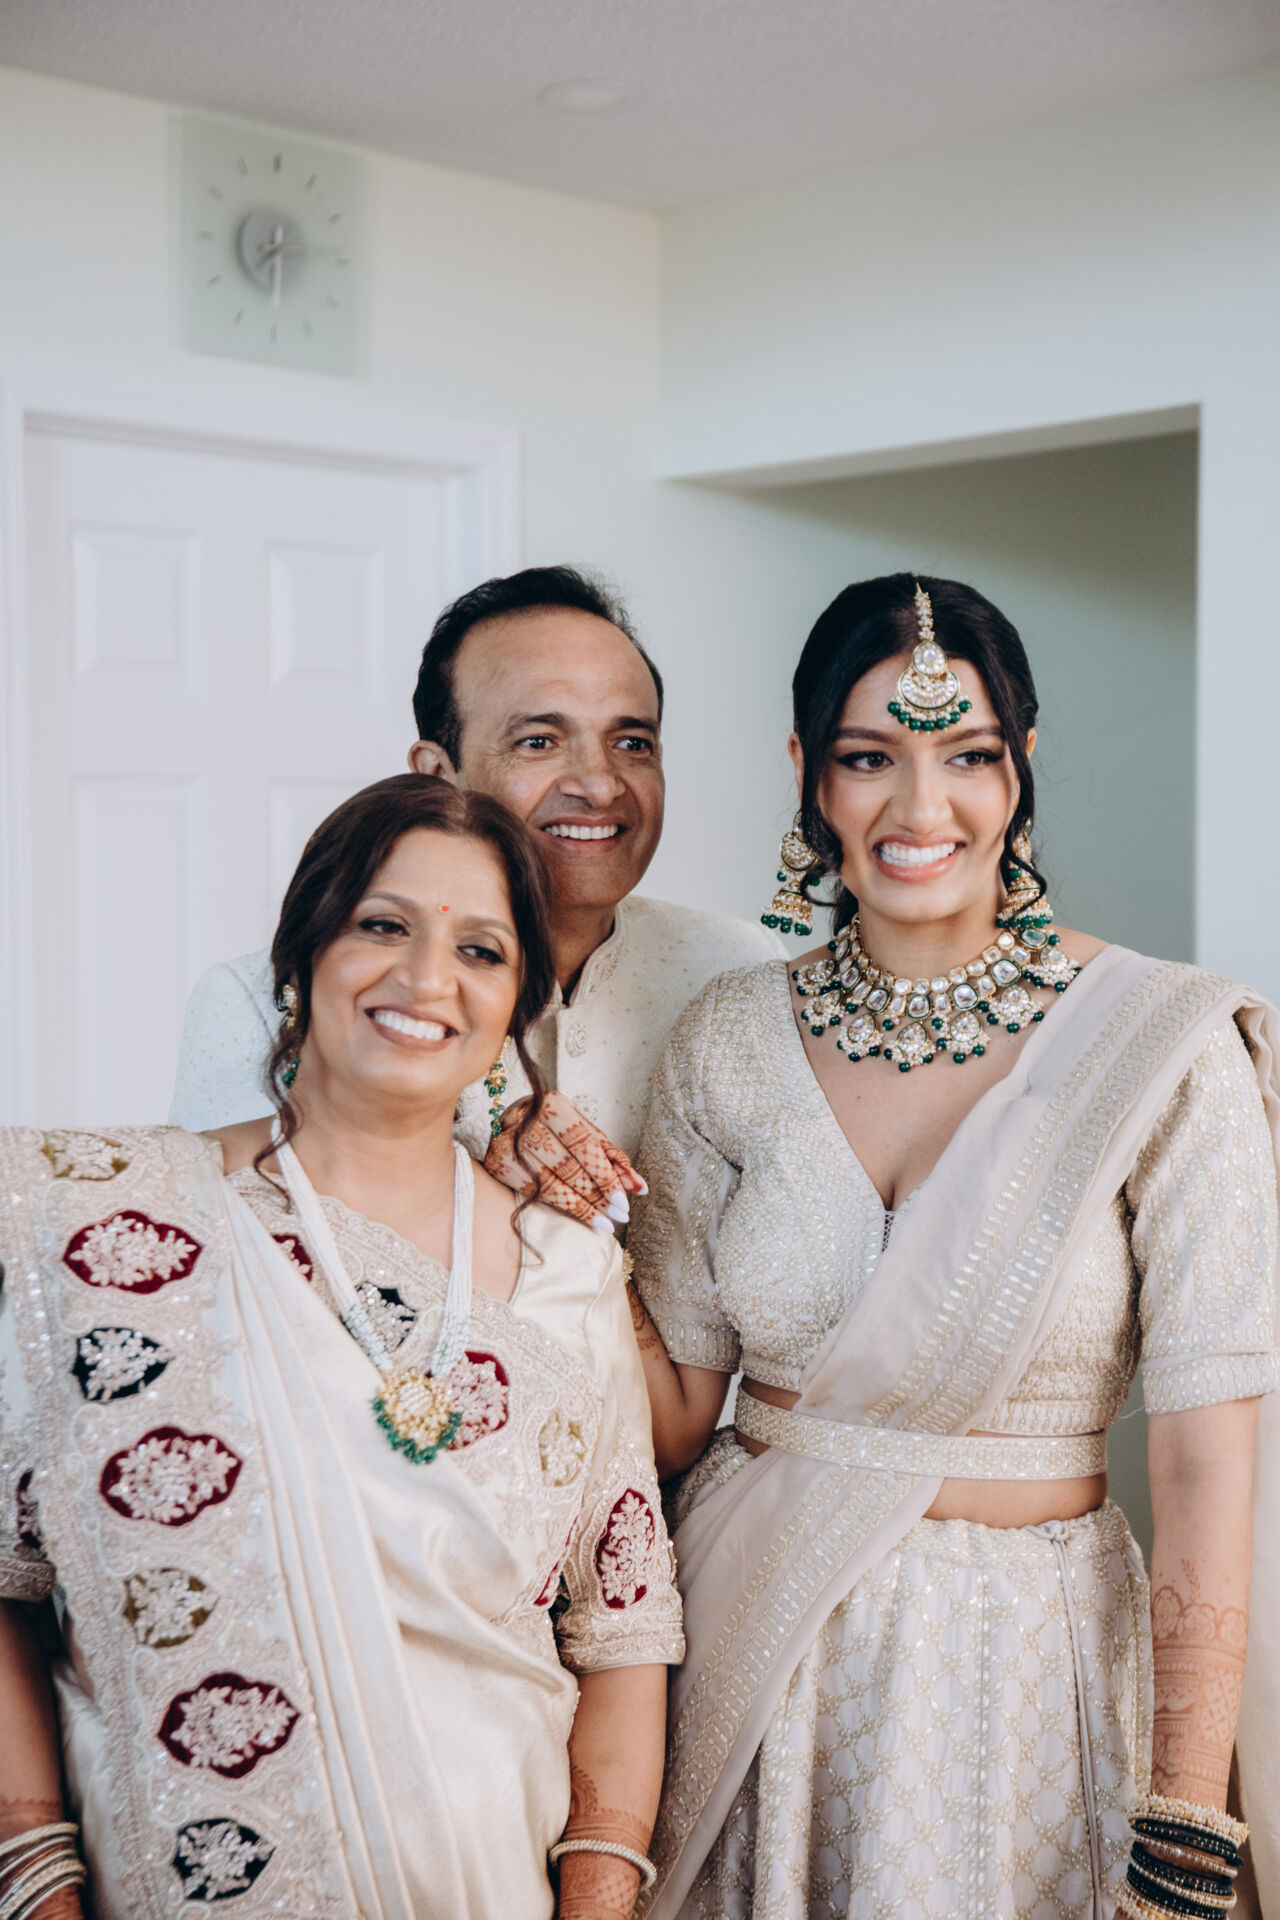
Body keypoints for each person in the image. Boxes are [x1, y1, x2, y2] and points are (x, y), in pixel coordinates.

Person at [626, 575, 1280, 1918]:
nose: (921, 809)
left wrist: (1184, 1816)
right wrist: (523, 1203)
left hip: (1029, 1667)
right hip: (754, 1644)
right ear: (808, 774)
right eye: (870, 757)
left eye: (967, 756)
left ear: (1021, 766)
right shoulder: (725, 1039)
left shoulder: (1159, 1046)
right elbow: (676, 1407)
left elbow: (1207, 1463)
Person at [0, 774, 683, 1920]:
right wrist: (35, 1878)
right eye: (382, 926)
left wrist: (597, 1902)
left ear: (514, 1005)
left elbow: (622, 1632)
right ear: (301, 953)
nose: (426, 979)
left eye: (479, 950)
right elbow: (9, 1584)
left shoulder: (572, 1273)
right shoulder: (121, 1230)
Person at [170, 566, 782, 1221]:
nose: (600, 785)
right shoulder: (275, 999)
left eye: (632, 743)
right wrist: (469, 1174)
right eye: (538, 741)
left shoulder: (737, 970)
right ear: (438, 774)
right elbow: (242, 1250)